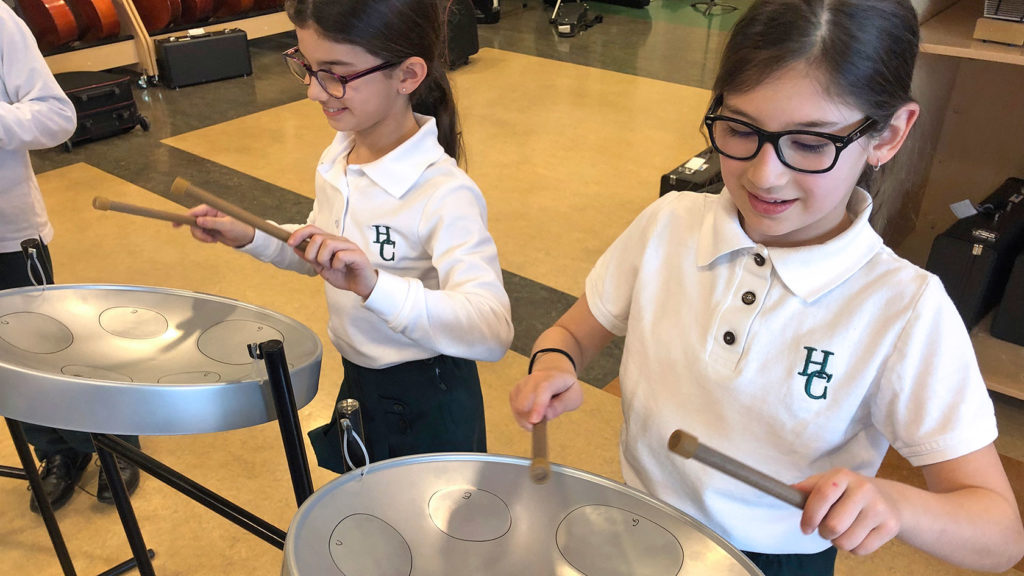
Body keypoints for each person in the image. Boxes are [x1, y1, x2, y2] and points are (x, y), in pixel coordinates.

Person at [508, 0, 1024, 574]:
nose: (763, 174)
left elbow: (1000, 534)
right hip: (643, 525)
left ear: (888, 135)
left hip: (774, 560)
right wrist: (553, 364)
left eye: (810, 143)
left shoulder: (904, 310)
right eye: (738, 128)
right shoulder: (669, 224)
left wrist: (897, 504)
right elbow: (571, 334)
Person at [184, 0, 513, 472]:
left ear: (407, 76)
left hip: (428, 392)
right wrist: (252, 234)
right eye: (308, 67)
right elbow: (321, 251)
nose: (315, 93)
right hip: (361, 378)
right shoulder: (340, 156)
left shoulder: (443, 192)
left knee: (431, 530)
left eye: (335, 73)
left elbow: (492, 328)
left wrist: (374, 285)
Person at [0, 1, 140, 513]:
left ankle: (110, 442)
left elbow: (57, 116)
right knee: (3, 365)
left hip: (8, 235)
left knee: (47, 349)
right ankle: (55, 450)